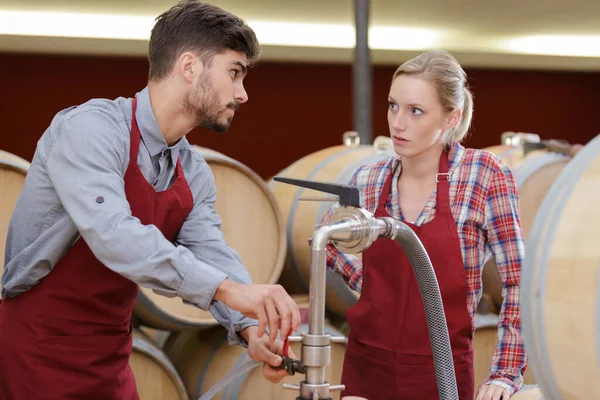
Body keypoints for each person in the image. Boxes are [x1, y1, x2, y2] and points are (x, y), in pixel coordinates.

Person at [0, 1, 300, 398]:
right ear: (189, 66)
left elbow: (212, 252)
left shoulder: (193, 170)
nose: (242, 94)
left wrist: (249, 328)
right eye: (234, 73)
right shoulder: (90, 129)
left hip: (111, 355)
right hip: (38, 350)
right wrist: (229, 291)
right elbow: (113, 235)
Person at [323, 50, 528, 400]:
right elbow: (328, 240)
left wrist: (505, 374)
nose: (397, 123)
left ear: (451, 118)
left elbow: (518, 279)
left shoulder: (484, 174)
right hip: (365, 369)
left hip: (442, 374)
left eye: (415, 111)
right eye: (393, 106)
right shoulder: (368, 179)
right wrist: (369, 281)